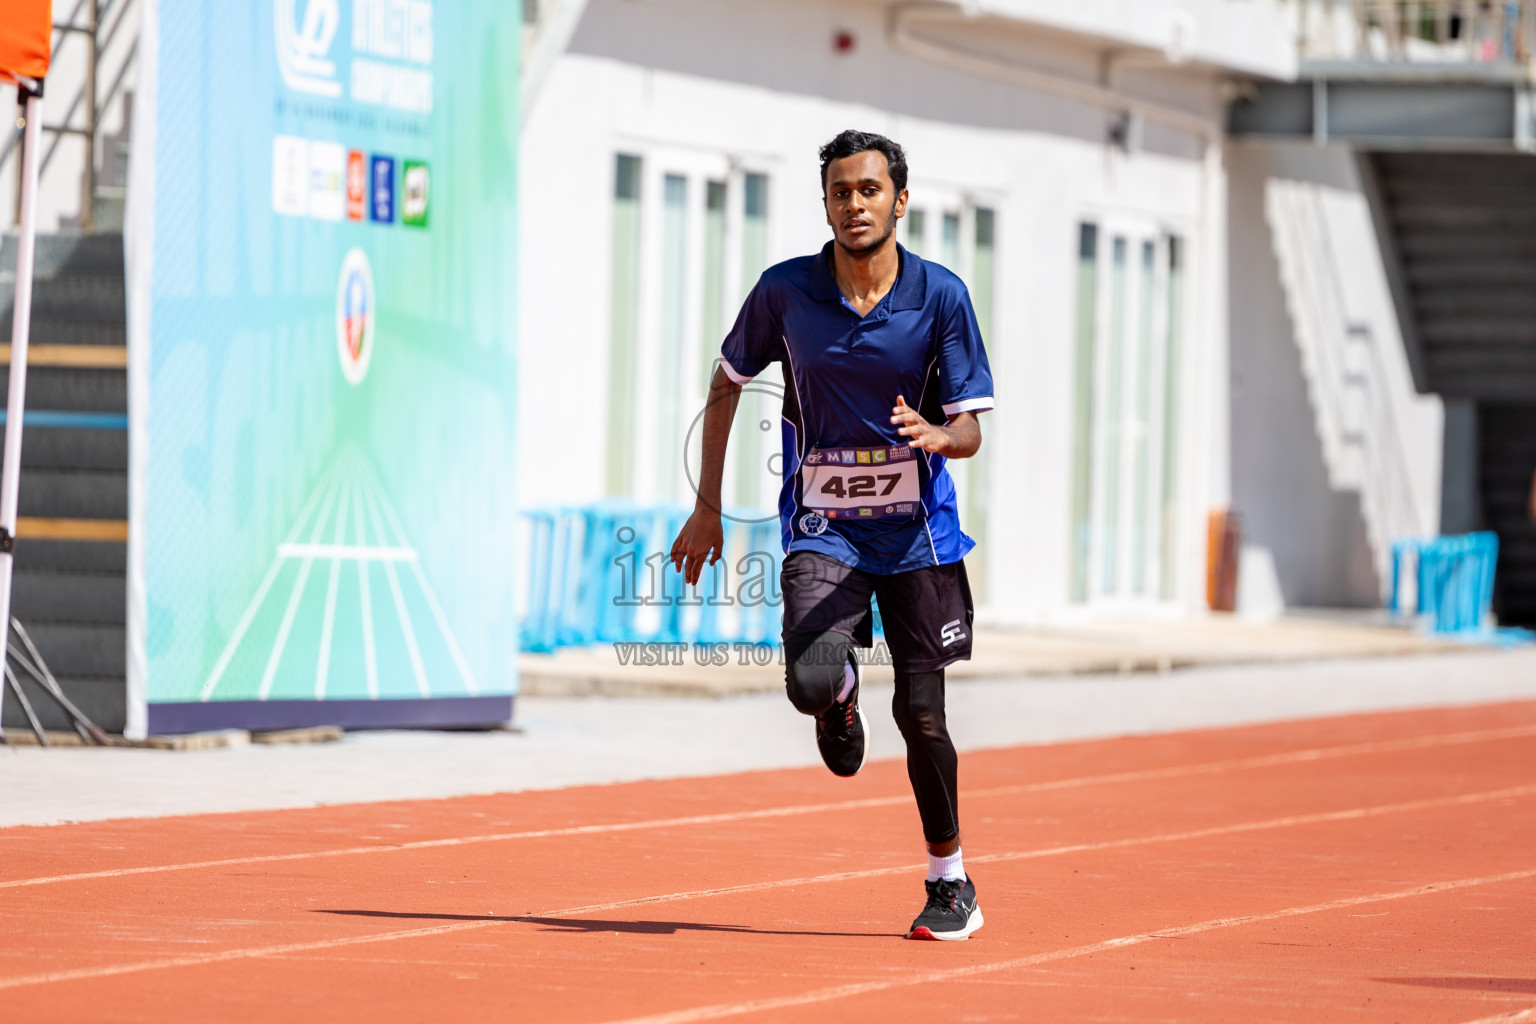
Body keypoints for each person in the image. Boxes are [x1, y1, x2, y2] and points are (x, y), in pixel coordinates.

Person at [670, 129, 994, 941]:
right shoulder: (786, 294)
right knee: (810, 682)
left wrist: (937, 436)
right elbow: (727, 381)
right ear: (825, 203)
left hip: (919, 536)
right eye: (841, 191)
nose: (855, 203)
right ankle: (840, 696)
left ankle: (949, 882)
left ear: (900, 200)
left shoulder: (940, 296)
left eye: (870, 189)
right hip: (823, 527)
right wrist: (707, 505)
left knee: (923, 717)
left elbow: (970, 429)